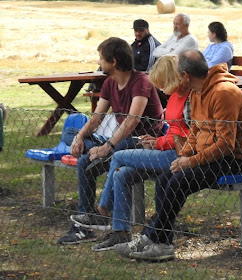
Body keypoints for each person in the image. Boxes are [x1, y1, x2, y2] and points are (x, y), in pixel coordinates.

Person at [114, 49, 242, 262]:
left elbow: (226, 145)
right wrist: (185, 156)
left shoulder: (223, 92)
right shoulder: (198, 92)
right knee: (165, 180)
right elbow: (195, 132)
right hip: (210, 156)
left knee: (177, 182)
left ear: (186, 76)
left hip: (235, 160)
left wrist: (190, 161)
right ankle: (161, 243)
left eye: (178, 73)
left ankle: (151, 238)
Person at [73, 55, 192, 251]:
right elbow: (174, 135)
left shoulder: (186, 99)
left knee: (119, 155)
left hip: (176, 157)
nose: (160, 89)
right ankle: (121, 232)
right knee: (122, 173)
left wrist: (160, 142)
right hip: (167, 150)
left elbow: (186, 138)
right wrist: (157, 142)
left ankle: (102, 212)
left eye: (162, 84)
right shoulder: (173, 99)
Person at [57, 37, 163, 245]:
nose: (99, 62)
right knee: (75, 142)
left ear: (113, 61)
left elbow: (133, 121)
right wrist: (80, 137)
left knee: (115, 148)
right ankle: (85, 226)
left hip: (144, 142)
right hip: (119, 142)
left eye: (101, 58)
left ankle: (101, 213)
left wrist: (108, 146)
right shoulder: (109, 83)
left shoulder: (140, 81)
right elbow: (97, 117)